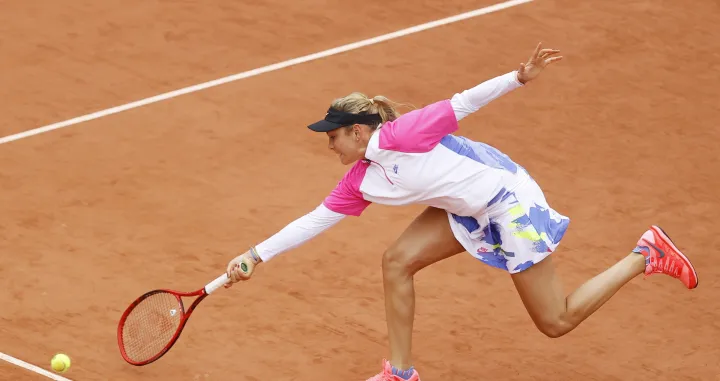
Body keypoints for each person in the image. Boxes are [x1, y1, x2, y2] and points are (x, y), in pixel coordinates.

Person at [223, 42, 699, 381]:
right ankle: (401, 374)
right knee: (396, 261)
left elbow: (463, 102)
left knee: (556, 322)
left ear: (359, 132)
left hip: (507, 202)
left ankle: (645, 253)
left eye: (333, 135)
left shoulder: (404, 134)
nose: (329, 144)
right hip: (465, 208)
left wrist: (518, 78)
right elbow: (315, 219)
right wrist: (254, 255)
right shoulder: (362, 179)